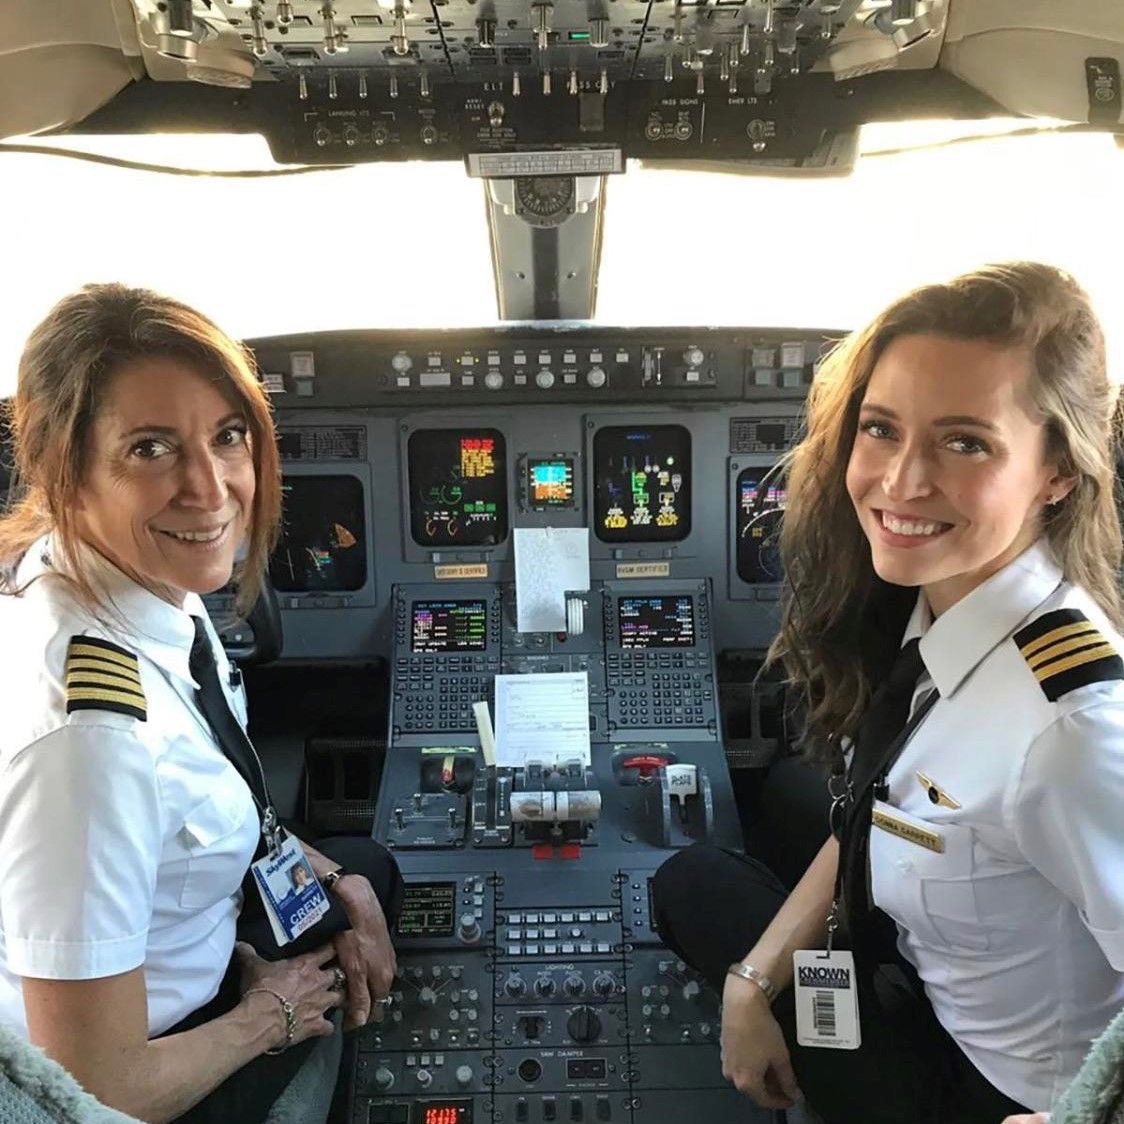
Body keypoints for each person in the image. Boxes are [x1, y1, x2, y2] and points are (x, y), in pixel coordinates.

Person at [652, 262, 1124, 1124]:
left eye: (966, 441)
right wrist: (752, 984)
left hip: (980, 1084)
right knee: (793, 792)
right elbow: (882, 796)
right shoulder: (949, 607)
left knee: (690, 882)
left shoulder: (1074, 731)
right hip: (930, 958)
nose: (901, 483)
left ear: (1058, 470)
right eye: (881, 429)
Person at [0, 283, 401, 1124]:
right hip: (158, 1066)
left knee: (369, 867)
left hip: (182, 954)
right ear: (63, 469)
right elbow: (96, 1089)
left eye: (227, 437)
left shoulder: (132, 586)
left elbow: (213, 794)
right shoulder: (87, 739)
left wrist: (341, 887)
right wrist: (268, 1015)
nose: (212, 489)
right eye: (150, 449)